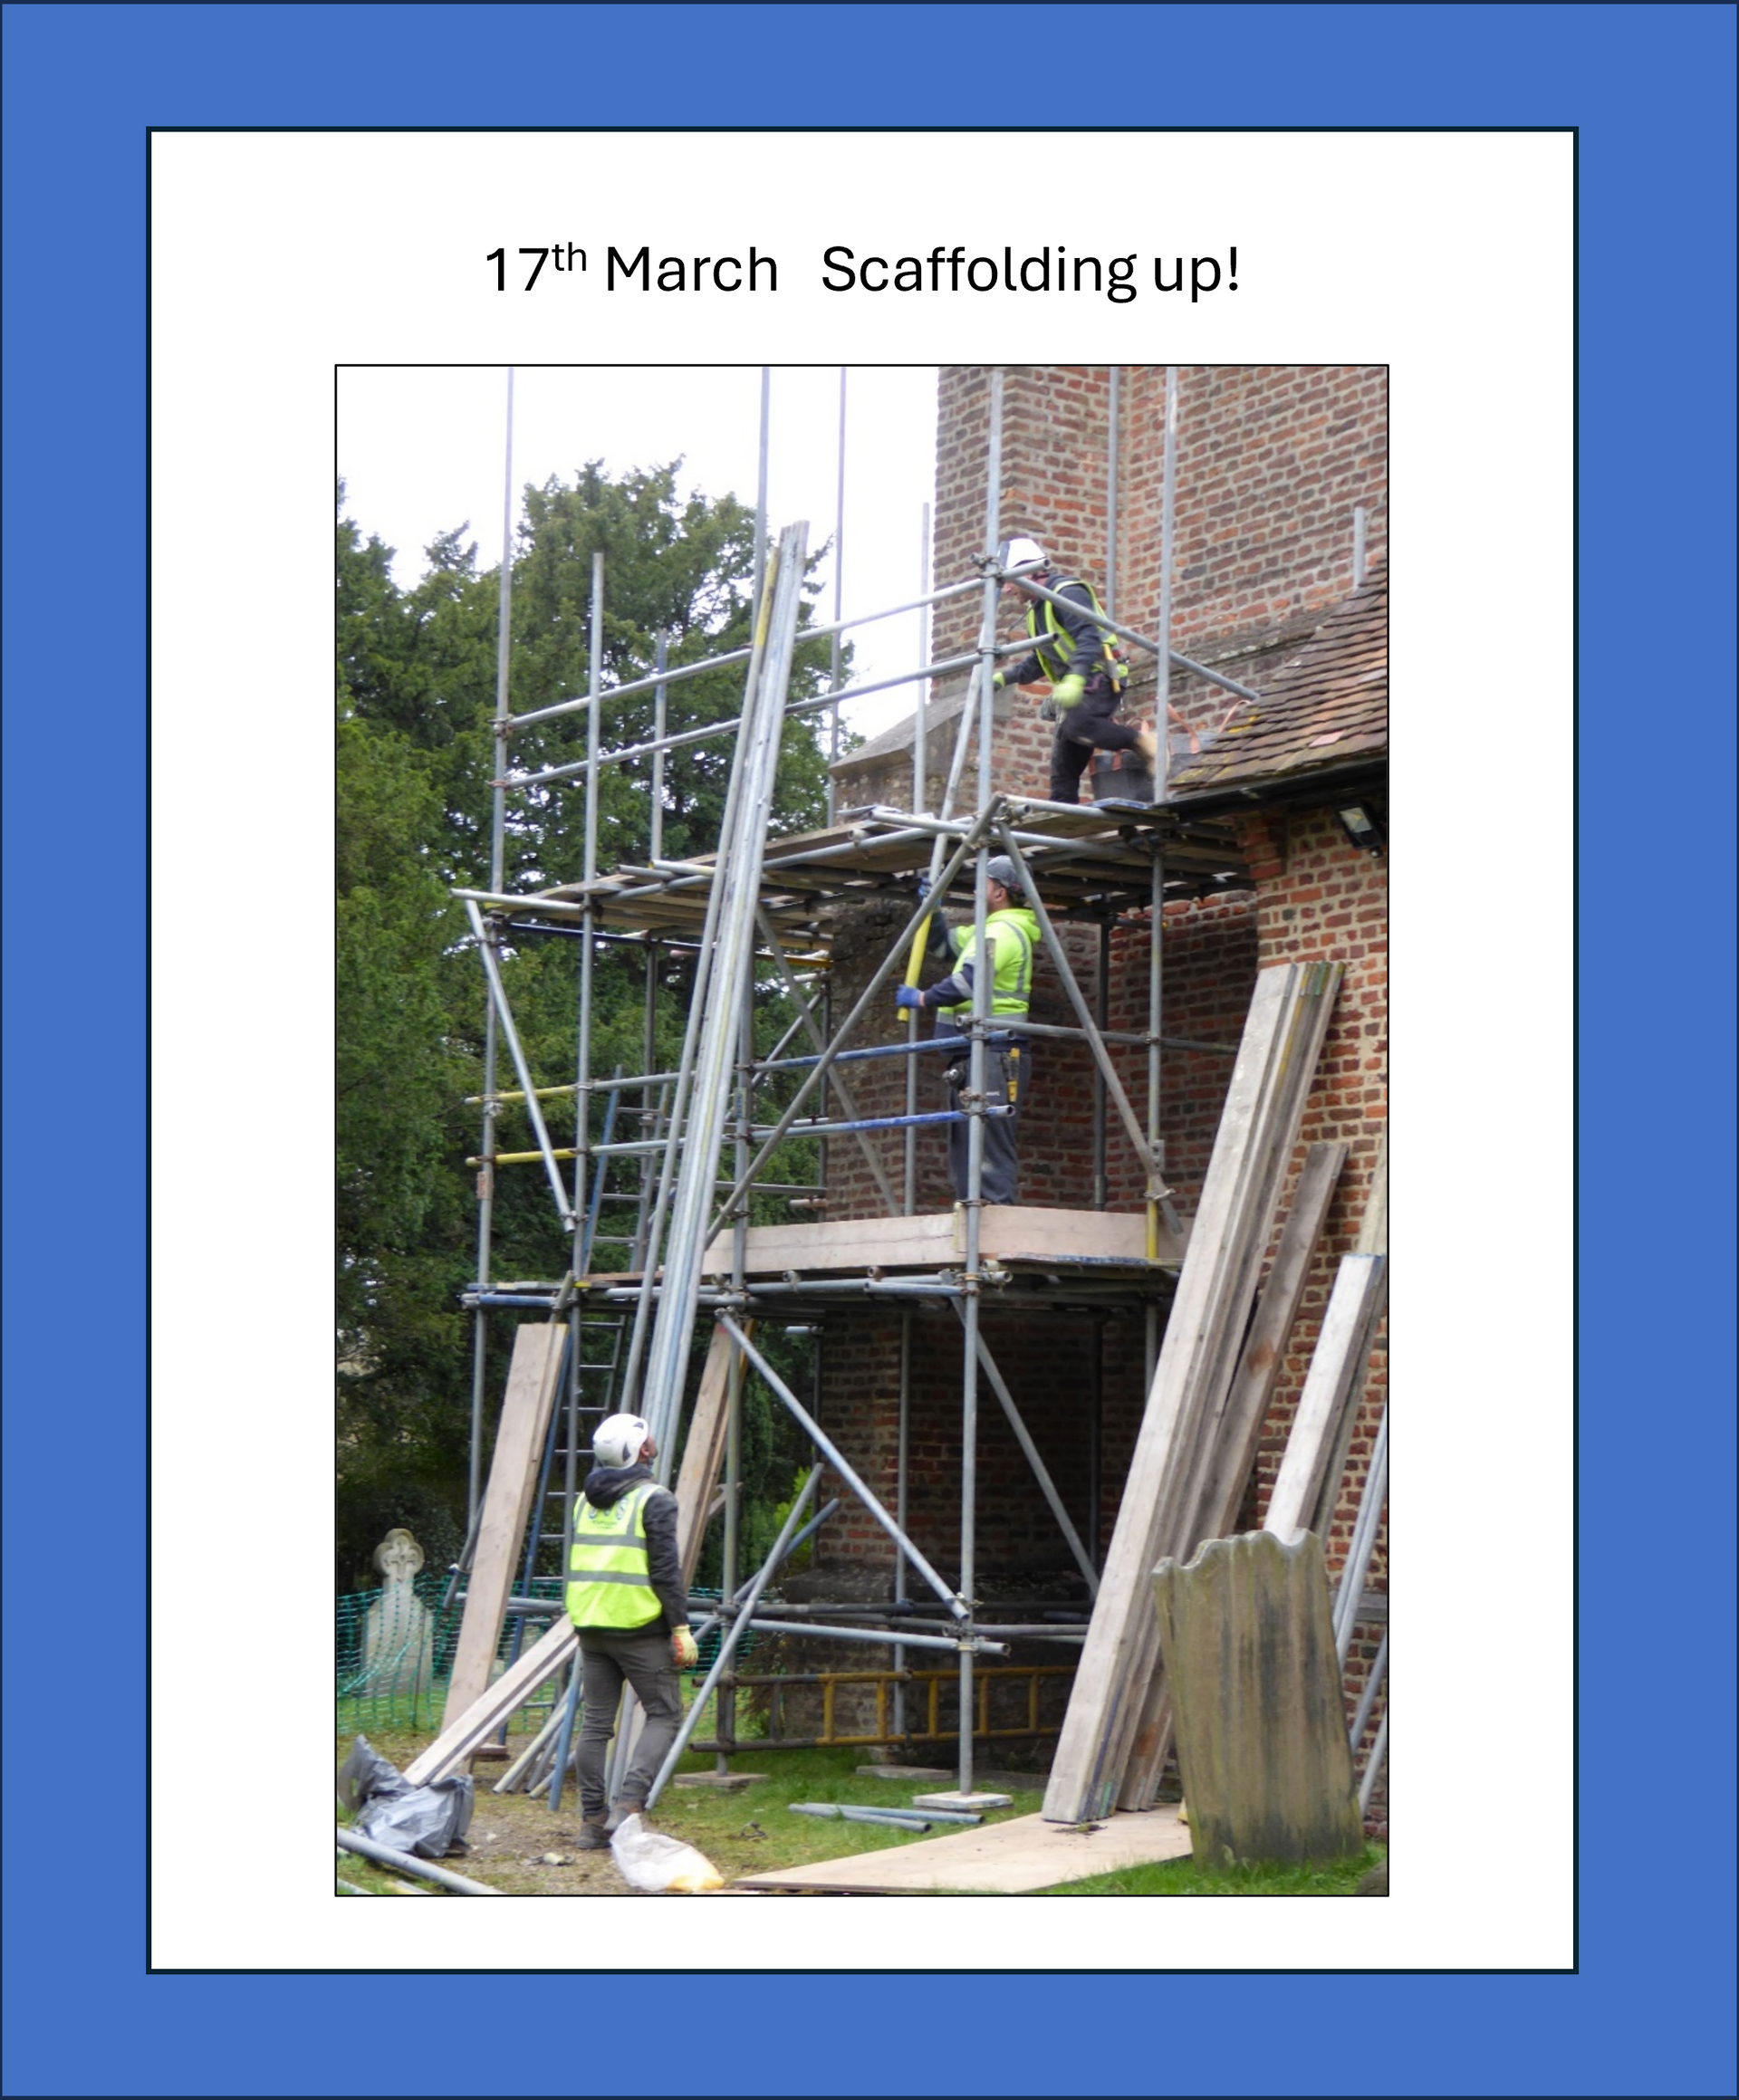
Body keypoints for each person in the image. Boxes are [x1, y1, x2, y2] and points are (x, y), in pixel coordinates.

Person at [564, 1412, 699, 1849]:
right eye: (648, 1437)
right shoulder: (654, 1499)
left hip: (591, 1627)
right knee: (664, 1714)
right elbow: (665, 1571)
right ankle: (628, 1806)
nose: (653, 1441)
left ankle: (590, 1823)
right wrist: (680, 1628)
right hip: (639, 1627)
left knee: (596, 1724)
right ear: (641, 1450)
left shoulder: (583, 1501)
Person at [895, 855, 1038, 1204]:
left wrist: (925, 997)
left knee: (989, 1136)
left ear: (1001, 892)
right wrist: (933, 911)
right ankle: (973, 1213)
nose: (976, 888)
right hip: (972, 1048)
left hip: (995, 1049)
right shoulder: (986, 928)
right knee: (966, 1136)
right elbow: (943, 946)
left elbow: (969, 981)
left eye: (983, 882)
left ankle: (995, 1219)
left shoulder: (1006, 931)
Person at [992, 534, 1158, 805]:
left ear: (1029, 572)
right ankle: (1062, 820)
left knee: (1077, 725)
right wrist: (1003, 678)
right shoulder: (1037, 610)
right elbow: (1040, 659)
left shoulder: (1067, 593)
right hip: (1081, 680)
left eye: (1009, 581)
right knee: (1063, 768)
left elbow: (1088, 637)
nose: (1008, 591)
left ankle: (1144, 743)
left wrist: (1075, 679)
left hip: (1100, 675)